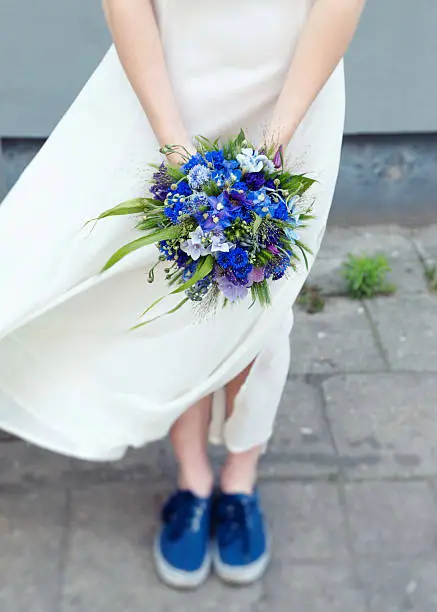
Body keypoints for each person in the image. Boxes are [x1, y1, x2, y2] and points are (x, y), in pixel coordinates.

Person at [0, 0, 366, 590]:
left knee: (261, 308)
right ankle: (193, 479)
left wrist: (274, 144)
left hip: (295, 83)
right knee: (175, 295)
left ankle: (239, 481)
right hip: (170, 83)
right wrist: (174, 146)